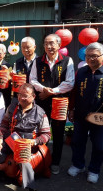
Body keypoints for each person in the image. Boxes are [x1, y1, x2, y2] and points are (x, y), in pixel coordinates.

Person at [0, 83, 51, 190]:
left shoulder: (40, 113)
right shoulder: (12, 107)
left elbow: (47, 134)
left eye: (25, 95)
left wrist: (34, 142)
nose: (21, 98)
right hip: (10, 141)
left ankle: (30, 187)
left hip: (26, 144)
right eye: (20, 95)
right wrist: (0, 140)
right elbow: (4, 125)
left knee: (23, 158)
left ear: (33, 97)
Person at [30, 34, 75, 175]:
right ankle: (39, 160)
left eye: (52, 43)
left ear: (59, 45)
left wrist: (51, 92)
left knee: (58, 132)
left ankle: (55, 162)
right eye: (46, 44)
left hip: (59, 103)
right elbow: (32, 80)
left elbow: (70, 83)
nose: (49, 47)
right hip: (41, 102)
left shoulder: (67, 61)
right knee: (39, 131)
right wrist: (43, 89)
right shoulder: (37, 61)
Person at [67, 42, 103, 184]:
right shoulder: (81, 72)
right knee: (77, 141)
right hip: (80, 114)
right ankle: (78, 165)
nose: (90, 59)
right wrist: (71, 109)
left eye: (94, 56)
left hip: (101, 116)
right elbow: (74, 93)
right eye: (88, 56)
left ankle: (94, 170)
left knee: (99, 146)